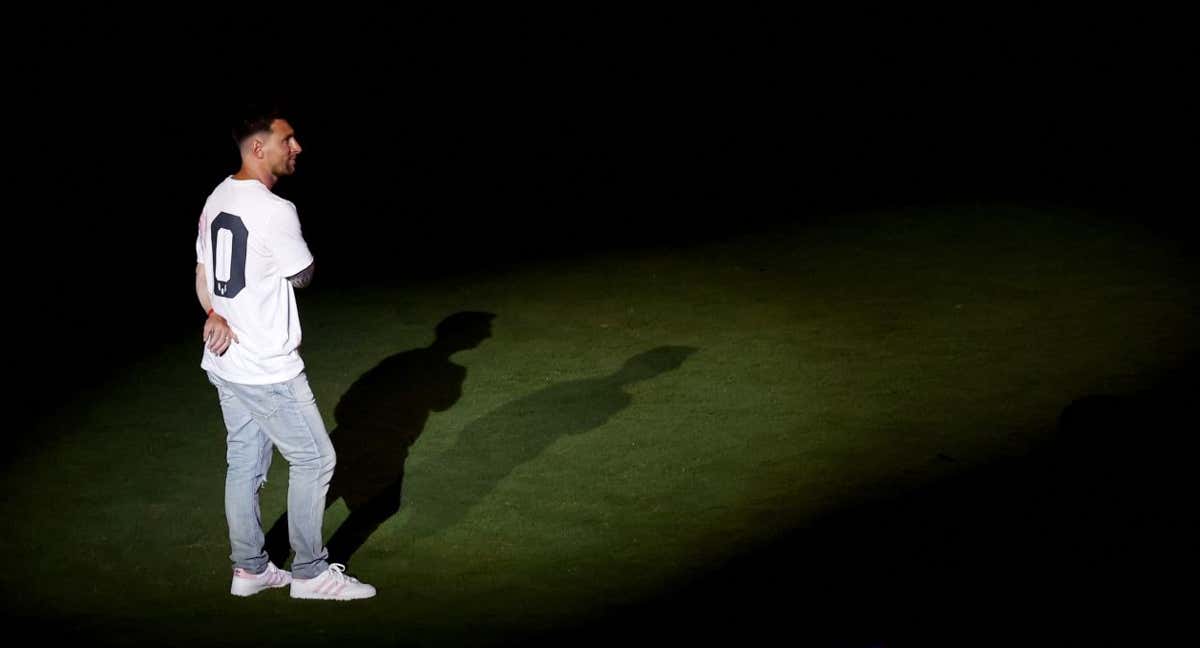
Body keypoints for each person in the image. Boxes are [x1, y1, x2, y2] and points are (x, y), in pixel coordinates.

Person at [195, 106, 375, 600]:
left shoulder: (216, 197)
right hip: (266, 367)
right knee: (315, 459)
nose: (296, 148)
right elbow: (302, 274)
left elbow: (202, 273)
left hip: (226, 363)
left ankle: (250, 569)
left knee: (245, 464)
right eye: (288, 139)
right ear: (259, 148)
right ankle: (312, 573)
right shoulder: (276, 210)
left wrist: (212, 313)